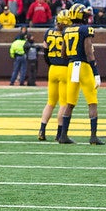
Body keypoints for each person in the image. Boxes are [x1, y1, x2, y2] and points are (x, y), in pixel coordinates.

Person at [58, 3, 105, 145]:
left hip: (72, 66)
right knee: (92, 102)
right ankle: (93, 137)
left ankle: (63, 136)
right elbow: (88, 52)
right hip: (84, 67)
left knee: (70, 103)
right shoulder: (86, 29)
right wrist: (96, 72)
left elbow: (63, 54)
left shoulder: (66, 30)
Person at [39, 10, 69, 141]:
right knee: (63, 103)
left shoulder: (48, 32)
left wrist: (50, 63)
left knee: (50, 102)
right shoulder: (67, 34)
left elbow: (45, 51)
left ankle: (42, 130)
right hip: (64, 69)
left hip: (52, 69)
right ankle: (59, 133)